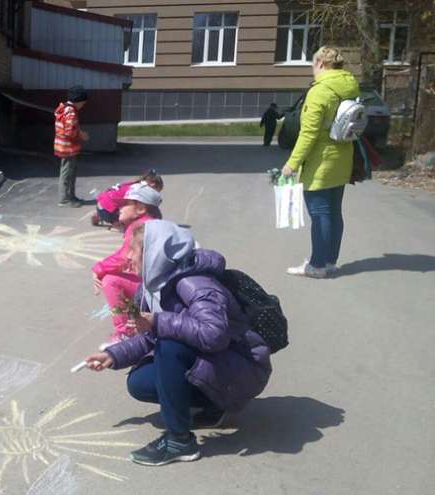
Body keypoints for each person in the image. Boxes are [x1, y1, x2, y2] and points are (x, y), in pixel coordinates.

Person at [84, 221, 272, 466]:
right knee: (139, 382)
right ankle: (215, 405)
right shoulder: (156, 285)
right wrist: (114, 355)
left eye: (134, 249)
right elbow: (153, 333)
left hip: (242, 368)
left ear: (154, 254)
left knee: (169, 347)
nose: (128, 256)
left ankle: (179, 441)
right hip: (222, 364)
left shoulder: (194, 284)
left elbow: (214, 334)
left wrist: (158, 321)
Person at [282, 46, 360, 278]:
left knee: (319, 213)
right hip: (343, 158)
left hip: (322, 162)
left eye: (313, 65)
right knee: (334, 212)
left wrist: (292, 164)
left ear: (321, 64)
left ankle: (316, 266)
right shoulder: (349, 86)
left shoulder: (320, 91)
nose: (313, 70)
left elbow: (309, 134)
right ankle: (329, 261)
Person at [92, 183, 162, 344]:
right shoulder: (144, 223)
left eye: (125, 204)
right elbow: (125, 252)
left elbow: (124, 257)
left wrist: (99, 269)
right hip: (153, 282)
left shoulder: (141, 226)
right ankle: (135, 318)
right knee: (114, 276)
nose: (119, 208)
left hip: (152, 287)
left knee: (111, 280)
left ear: (141, 208)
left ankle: (126, 332)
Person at [54, 85, 90, 208]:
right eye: (83, 103)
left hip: (64, 147)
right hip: (68, 148)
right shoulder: (71, 113)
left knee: (70, 173)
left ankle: (71, 196)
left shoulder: (63, 109)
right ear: (78, 101)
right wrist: (81, 135)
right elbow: (69, 132)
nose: (83, 106)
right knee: (67, 174)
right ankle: (64, 199)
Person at [91, 170, 164, 229]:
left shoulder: (133, 183)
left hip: (100, 204)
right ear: (152, 185)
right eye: (155, 191)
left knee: (114, 202)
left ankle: (98, 214)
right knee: (137, 213)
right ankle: (116, 222)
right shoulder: (139, 191)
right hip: (108, 212)